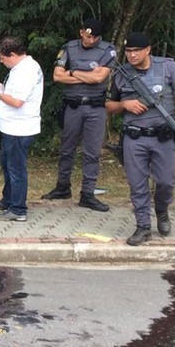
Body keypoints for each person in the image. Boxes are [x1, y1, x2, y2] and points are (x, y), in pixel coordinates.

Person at [105, 31, 175, 246]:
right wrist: (125, 105)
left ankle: (162, 210)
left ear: (148, 50)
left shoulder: (167, 67)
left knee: (165, 182)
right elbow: (107, 104)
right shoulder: (120, 73)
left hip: (163, 136)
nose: (132, 55)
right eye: (128, 51)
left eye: (136, 51)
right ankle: (143, 226)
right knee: (138, 185)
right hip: (134, 137)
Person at [43, 18, 117, 211]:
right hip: (72, 106)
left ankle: (88, 194)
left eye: (94, 37)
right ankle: (62, 187)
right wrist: (86, 76)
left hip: (95, 107)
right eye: (87, 35)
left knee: (92, 152)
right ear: (81, 31)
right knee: (66, 149)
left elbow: (100, 78)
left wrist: (73, 71)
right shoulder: (69, 47)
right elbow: (57, 76)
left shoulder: (108, 50)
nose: (90, 40)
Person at [0, 36, 43, 222]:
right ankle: (8, 199)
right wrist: (3, 87)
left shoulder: (26, 70)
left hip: (20, 128)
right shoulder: (20, 68)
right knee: (7, 165)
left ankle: (18, 210)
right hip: (11, 127)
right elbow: (17, 93)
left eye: (3, 58)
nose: (1, 62)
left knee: (16, 169)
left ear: (12, 54)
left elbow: (17, 102)